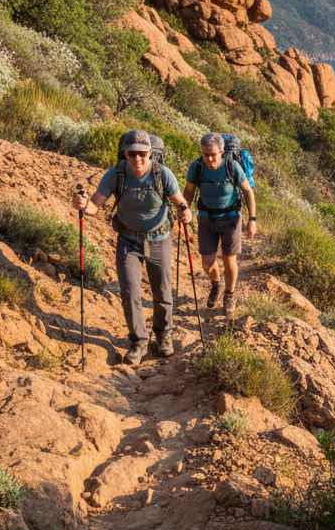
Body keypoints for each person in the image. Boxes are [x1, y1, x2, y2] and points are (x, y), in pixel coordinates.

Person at [73, 130, 191, 363]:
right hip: (128, 240)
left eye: (142, 154)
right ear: (125, 154)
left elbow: (180, 202)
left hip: (159, 239)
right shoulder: (115, 174)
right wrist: (83, 205)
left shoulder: (162, 174)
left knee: (162, 291)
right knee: (129, 292)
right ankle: (139, 341)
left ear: (150, 153)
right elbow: (96, 205)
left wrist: (185, 213)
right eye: (132, 153)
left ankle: (164, 335)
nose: (137, 159)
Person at [183, 132, 257, 313]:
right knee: (207, 263)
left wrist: (252, 220)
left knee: (228, 259)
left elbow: (248, 192)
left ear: (222, 152)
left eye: (213, 154)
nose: (209, 158)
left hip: (230, 218)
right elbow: (189, 191)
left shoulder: (232, 167)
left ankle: (229, 294)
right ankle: (216, 284)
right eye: (205, 154)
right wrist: (183, 210)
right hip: (206, 219)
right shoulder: (197, 167)